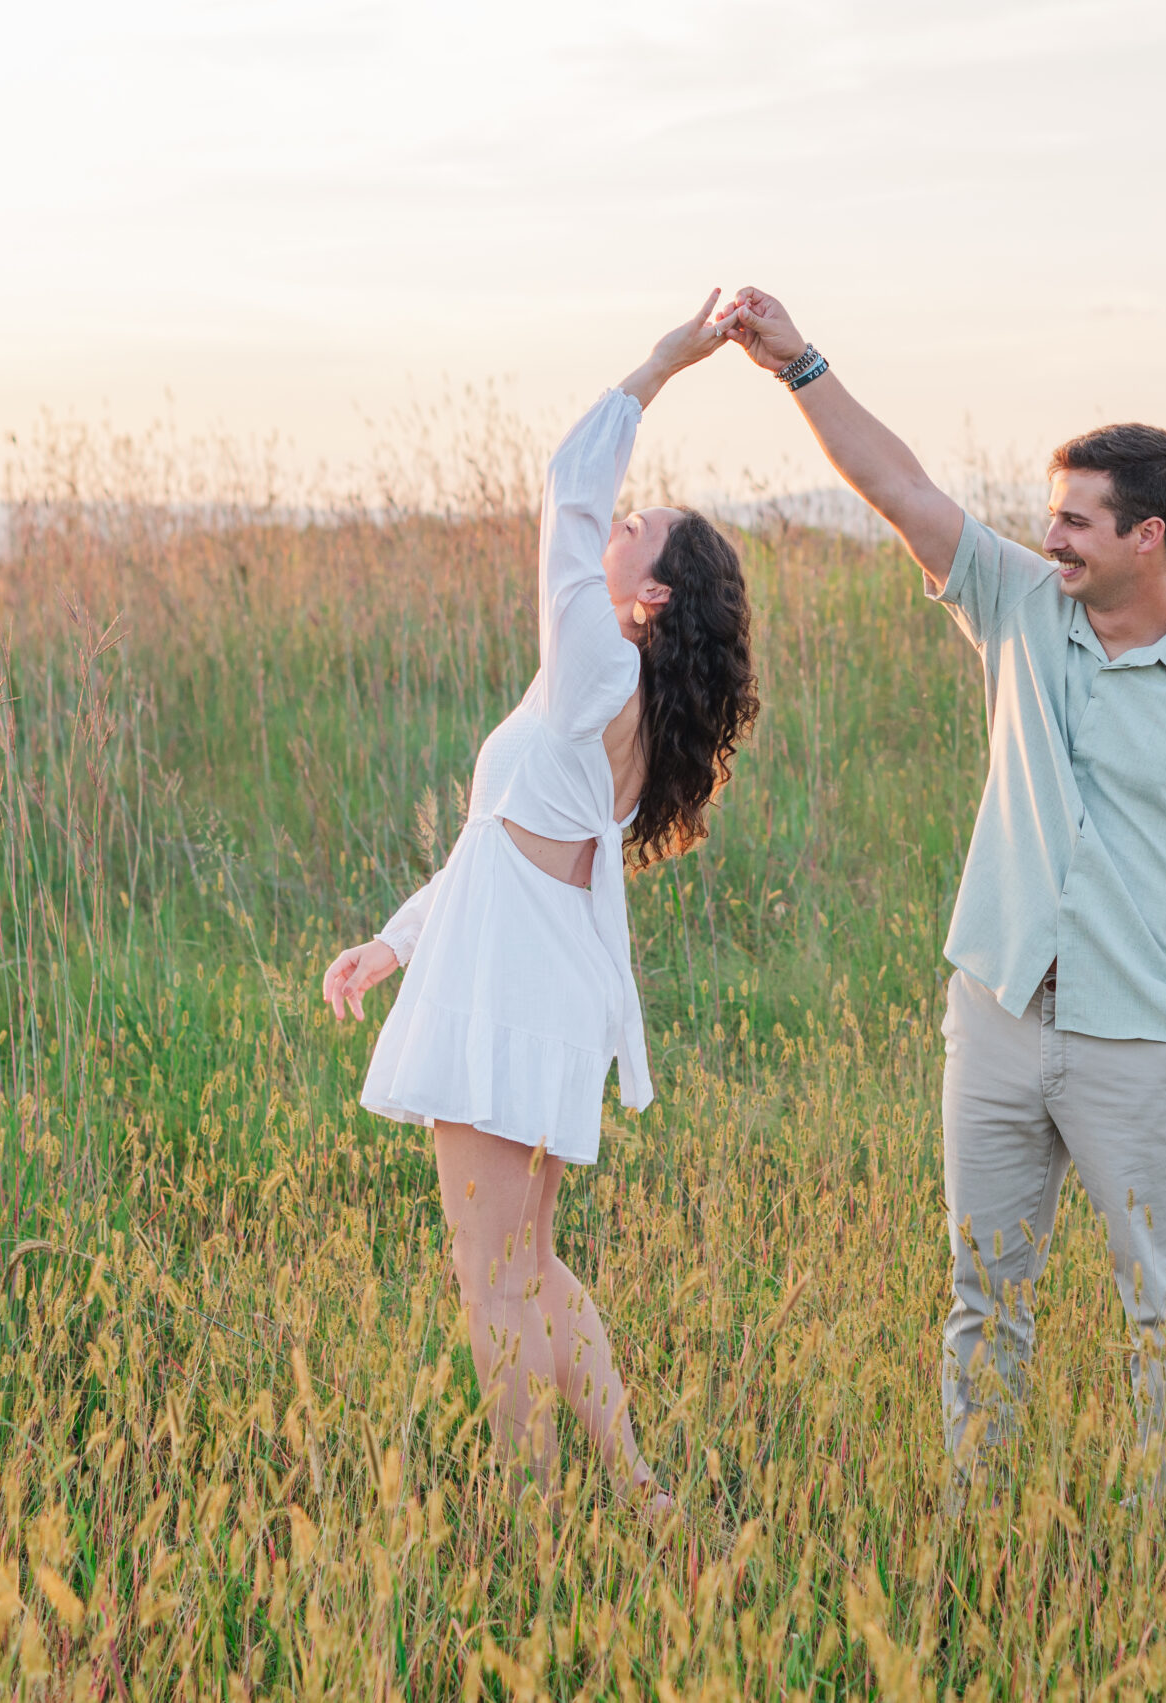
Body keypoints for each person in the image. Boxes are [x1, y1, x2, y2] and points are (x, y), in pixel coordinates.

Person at [718, 288, 1166, 1495]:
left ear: (1148, 536)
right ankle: (978, 1523)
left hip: (1139, 1044)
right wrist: (799, 364)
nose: (1054, 539)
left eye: (1080, 523)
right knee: (982, 1297)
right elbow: (900, 487)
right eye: (1050, 517)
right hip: (994, 1017)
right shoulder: (1016, 609)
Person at [320, 293, 757, 1515]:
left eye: (637, 529)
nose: (613, 528)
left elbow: (565, 488)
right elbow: (497, 855)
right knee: (528, 1261)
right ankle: (636, 1487)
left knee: (490, 1280)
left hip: (507, 1004)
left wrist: (667, 359)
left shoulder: (597, 670)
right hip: (525, 987)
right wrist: (395, 942)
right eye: (628, 517)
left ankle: (531, 1510)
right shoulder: (604, 697)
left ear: (652, 594)